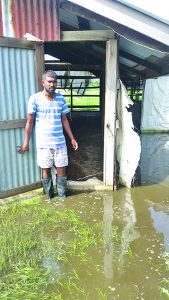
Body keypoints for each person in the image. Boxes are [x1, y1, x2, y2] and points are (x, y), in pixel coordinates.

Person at [19, 70, 78, 199]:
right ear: (43, 82)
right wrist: (26, 143)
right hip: (43, 143)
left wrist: (72, 138)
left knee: (61, 168)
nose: (52, 84)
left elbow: (64, 120)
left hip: (60, 142)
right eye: (49, 82)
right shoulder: (35, 99)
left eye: (54, 82)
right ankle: (49, 197)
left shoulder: (61, 98)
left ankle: (62, 196)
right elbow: (29, 122)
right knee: (45, 169)